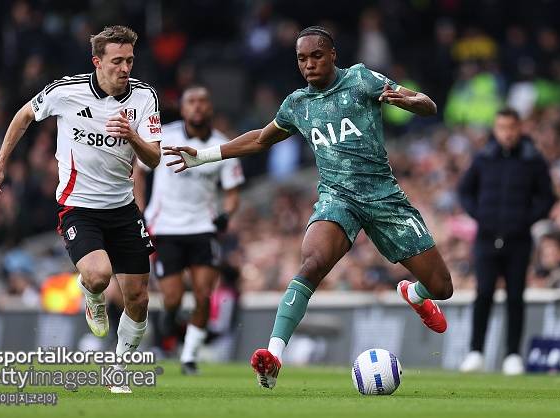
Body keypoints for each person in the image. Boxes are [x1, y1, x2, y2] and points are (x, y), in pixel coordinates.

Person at [165, 26, 453, 389]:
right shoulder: (297, 104)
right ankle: (273, 356)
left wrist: (411, 102)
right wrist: (203, 156)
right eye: (302, 58)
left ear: (332, 55)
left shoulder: (361, 79)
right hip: (337, 199)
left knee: (442, 287)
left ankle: (414, 294)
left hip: (384, 198)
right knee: (312, 263)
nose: (309, 64)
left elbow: (427, 105)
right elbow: (260, 139)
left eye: (316, 56)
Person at [0, 25, 162, 393]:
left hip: (123, 209)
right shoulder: (65, 91)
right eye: (117, 61)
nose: (125, 68)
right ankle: (92, 294)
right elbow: (23, 116)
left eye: (129, 60)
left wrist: (132, 136)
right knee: (98, 276)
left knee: (139, 299)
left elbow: (154, 158)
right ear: (97, 62)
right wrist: (0, 165)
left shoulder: (145, 97)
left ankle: (118, 367)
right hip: (78, 207)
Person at [134, 86, 244, 375]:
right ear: (182, 109)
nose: (197, 106)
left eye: (202, 101)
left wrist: (226, 214)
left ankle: (189, 357)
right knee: (172, 297)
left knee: (203, 295)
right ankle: (168, 320)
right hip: (165, 228)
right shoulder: (163, 137)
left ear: (210, 108)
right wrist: (140, 209)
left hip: (203, 228)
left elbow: (232, 193)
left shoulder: (223, 146)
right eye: (191, 102)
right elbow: (139, 172)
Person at [458, 108, 555, 375]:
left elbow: (547, 197)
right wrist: (480, 215)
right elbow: (465, 191)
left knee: (515, 297)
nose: (507, 133)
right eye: (502, 127)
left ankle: (512, 354)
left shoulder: (532, 160)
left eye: (511, 127)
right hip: (486, 238)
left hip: (518, 240)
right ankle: (476, 352)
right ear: (495, 129)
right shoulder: (483, 158)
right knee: (483, 294)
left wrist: (526, 220)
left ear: (519, 128)